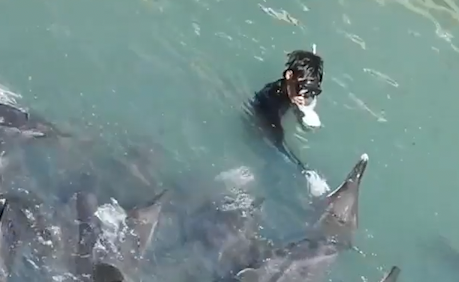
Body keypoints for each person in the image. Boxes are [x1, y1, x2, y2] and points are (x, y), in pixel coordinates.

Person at [248, 47, 324, 168]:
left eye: (311, 91)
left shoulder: (297, 93)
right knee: (276, 143)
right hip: (262, 115)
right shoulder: (270, 98)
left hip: (281, 109)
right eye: (300, 88)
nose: (303, 96)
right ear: (289, 75)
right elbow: (274, 140)